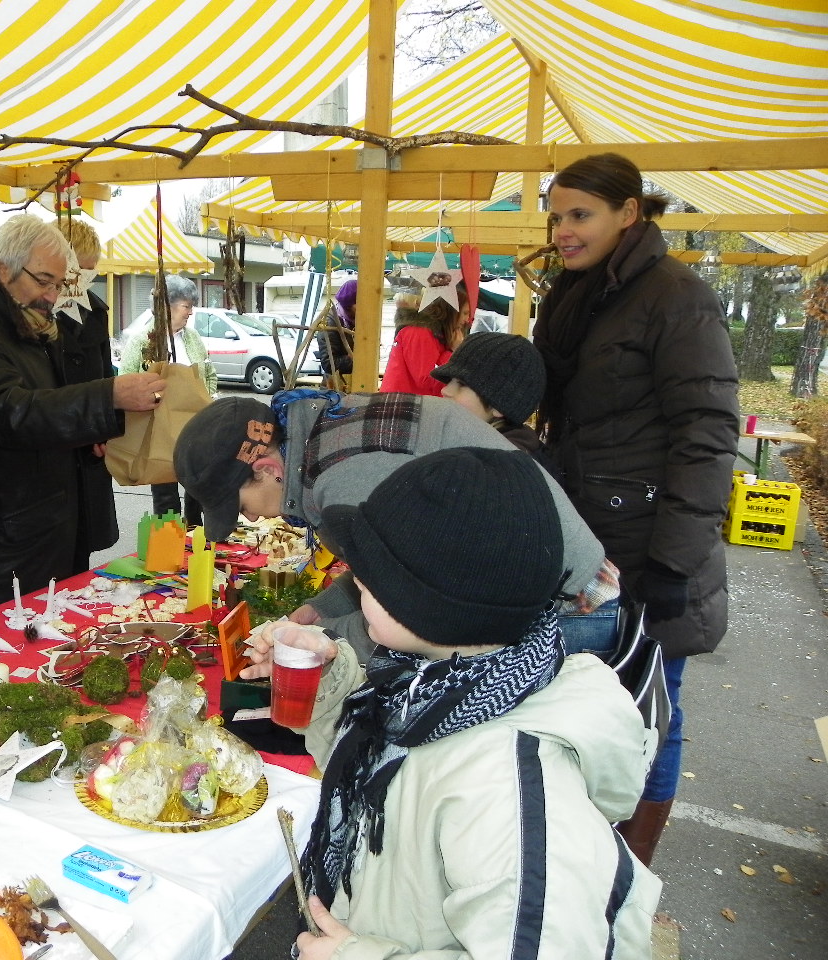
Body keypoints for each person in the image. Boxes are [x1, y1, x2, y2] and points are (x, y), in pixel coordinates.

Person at [240, 448, 661, 959]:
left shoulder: (503, 786)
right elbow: (387, 773)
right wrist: (328, 677)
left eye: (370, 575)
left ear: (430, 605)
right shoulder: (436, 687)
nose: (355, 580)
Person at [532, 152, 739, 865]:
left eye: (579, 214)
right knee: (582, 700)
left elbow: (707, 434)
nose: (563, 230)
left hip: (650, 545)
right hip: (589, 540)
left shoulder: (678, 297)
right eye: (556, 217)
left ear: (629, 213)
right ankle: (576, 855)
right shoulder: (574, 295)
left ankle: (629, 870)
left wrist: (674, 564)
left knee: (649, 711)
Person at [173, 390, 609, 659]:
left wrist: (321, 639)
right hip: (556, 580)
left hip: (570, 604)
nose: (249, 518)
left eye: (240, 504)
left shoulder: (342, 483)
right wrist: (320, 611)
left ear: (268, 469)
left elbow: (408, 615)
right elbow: (392, 564)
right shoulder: (327, 430)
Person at [0, 214, 165, 616]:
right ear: (4, 269)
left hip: (38, 527)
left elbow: (46, 403)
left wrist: (93, 430)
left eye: (58, 285)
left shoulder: (25, 325)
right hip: (4, 539)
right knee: (14, 642)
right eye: (44, 281)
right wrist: (108, 396)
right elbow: (10, 414)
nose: (51, 296)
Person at [431, 332, 623, 658]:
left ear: (498, 405)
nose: (445, 390)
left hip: (579, 612)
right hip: (570, 603)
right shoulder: (495, 446)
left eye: (460, 384)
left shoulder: (505, 461)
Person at [119, 274, 217, 525]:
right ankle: (168, 536)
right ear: (167, 306)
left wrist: (207, 399)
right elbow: (125, 381)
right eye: (186, 306)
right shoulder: (143, 341)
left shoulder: (192, 338)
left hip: (195, 425)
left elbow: (209, 374)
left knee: (197, 483)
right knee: (165, 490)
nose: (190, 312)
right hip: (159, 428)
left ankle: (195, 531)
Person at [54, 218, 121, 565]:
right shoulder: (35, 315)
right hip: (54, 454)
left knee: (81, 555)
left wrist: (107, 429)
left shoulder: (95, 311)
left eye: (91, 271)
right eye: (80, 271)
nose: (84, 280)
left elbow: (106, 376)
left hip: (90, 454)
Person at [378, 287, 467, 395]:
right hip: (405, 401)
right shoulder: (420, 332)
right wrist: (453, 353)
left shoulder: (429, 332)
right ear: (452, 311)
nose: (467, 319)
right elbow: (425, 380)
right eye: (465, 313)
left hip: (404, 398)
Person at [314, 278, 356, 381]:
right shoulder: (329, 324)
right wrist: (357, 358)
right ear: (349, 305)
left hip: (353, 382)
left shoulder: (353, 320)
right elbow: (329, 363)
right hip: (336, 386)